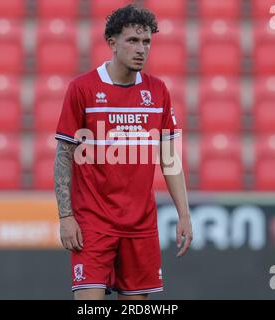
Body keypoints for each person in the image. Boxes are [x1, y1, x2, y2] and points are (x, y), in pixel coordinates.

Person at [54, 4, 193, 300]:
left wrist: (184, 213)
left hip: (140, 225)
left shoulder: (158, 91)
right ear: (112, 44)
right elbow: (64, 155)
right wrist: (65, 216)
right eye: (132, 41)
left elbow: (169, 158)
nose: (141, 49)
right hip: (92, 224)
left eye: (146, 42)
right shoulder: (82, 88)